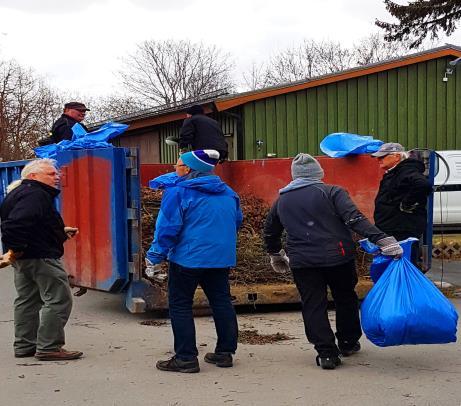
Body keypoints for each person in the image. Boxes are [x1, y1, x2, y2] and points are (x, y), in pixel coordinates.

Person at [263, 153, 403, 370]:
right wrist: (382, 239)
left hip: (303, 262)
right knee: (345, 297)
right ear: (319, 173)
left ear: (295, 175)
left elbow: (271, 231)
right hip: (338, 258)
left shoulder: (282, 200)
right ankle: (347, 342)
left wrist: (275, 254)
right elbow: (354, 218)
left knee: (313, 303)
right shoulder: (332, 192)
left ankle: (326, 353)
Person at [145, 149, 242, 373]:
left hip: (188, 259)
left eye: (177, 165)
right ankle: (225, 353)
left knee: (180, 305)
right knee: (221, 302)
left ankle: (186, 357)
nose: (174, 169)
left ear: (187, 169)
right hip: (220, 258)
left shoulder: (178, 192)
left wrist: (154, 256)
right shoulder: (228, 192)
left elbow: (168, 228)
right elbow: (236, 221)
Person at [0, 158, 82, 361]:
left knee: (27, 300)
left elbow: (31, 223)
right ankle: (49, 347)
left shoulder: (19, 193)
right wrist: (16, 250)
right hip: (40, 256)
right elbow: (15, 225)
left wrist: (60, 232)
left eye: (56, 174)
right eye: (51, 174)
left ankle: (25, 345)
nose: (57, 178)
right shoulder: (35, 194)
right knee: (58, 299)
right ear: (33, 176)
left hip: (26, 257)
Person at [372, 143, 433, 266]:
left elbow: (423, 185)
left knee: (404, 265)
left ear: (396, 157)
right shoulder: (396, 172)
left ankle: (405, 285)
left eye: (382, 157)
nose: (378, 160)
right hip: (395, 229)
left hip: (401, 231)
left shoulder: (406, 170)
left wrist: (407, 204)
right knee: (396, 266)